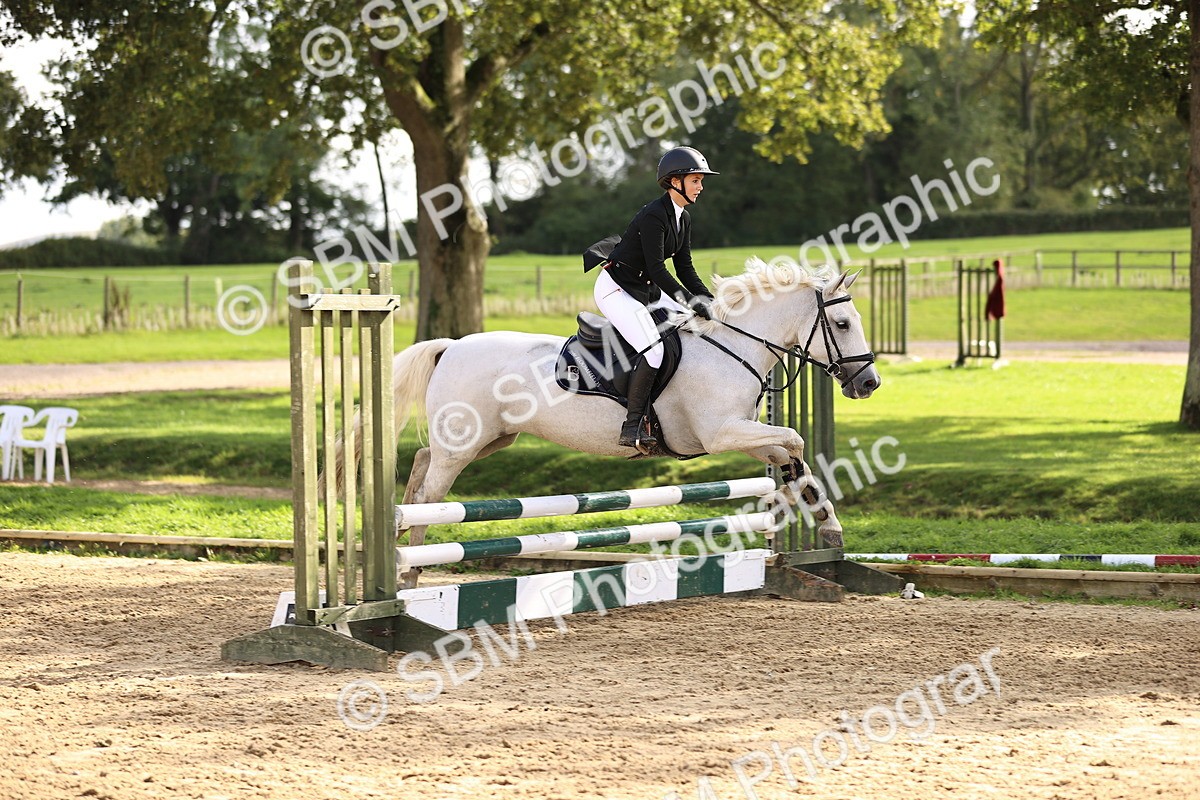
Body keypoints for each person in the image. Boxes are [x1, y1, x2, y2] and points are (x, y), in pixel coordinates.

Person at [587, 146, 718, 449]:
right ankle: (632, 426)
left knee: (693, 328)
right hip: (616, 290)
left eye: (701, 181)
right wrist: (689, 301)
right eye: (696, 180)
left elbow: (684, 266)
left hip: (646, 291)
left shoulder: (682, 218)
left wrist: (708, 299)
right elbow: (658, 269)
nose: (701, 187)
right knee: (654, 351)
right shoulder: (654, 215)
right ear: (675, 181)